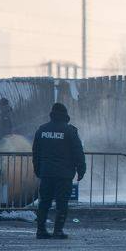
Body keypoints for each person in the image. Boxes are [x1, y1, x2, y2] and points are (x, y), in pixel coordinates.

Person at [32, 102, 86, 240]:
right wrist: (81, 169)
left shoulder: (42, 130)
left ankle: (40, 230)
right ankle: (58, 231)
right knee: (62, 203)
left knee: (44, 202)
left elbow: (36, 152)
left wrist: (38, 169)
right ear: (65, 115)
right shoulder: (69, 131)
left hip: (47, 173)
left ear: (52, 114)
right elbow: (77, 152)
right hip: (64, 174)